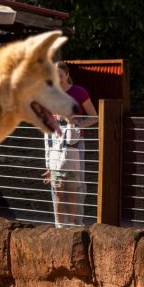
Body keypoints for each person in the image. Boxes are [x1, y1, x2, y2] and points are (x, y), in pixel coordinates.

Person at [43, 62, 98, 228]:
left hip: (75, 143)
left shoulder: (79, 92)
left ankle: (75, 224)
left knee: (75, 185)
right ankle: (59, 226)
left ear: (67, 75)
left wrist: (75, 123)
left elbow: (94, 117)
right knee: (57, 186)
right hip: (55, 144)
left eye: (60, 74)